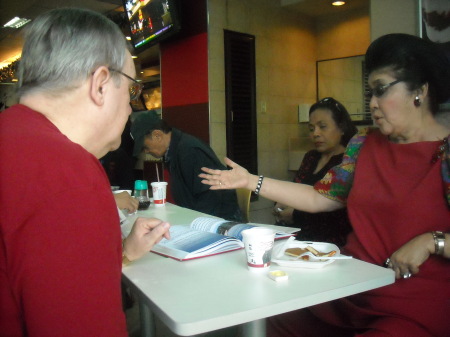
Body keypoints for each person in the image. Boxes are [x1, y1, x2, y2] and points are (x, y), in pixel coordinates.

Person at [200, 33, 450, 336]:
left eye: (381, 90)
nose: (372, 103)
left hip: (412, 303)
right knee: (272, 319)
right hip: (351, 287)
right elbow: (321, 198)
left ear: (420, 90)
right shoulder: (364, 144)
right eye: (369, 93)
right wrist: (251, 180)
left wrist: (433, 242)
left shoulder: (445, 153)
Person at [0, 8, 170, 336]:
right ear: (101, 84)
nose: (130, 107)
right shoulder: (67, 174)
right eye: (132, 90)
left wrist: (121, 253)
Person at [131, 111, 242, 221]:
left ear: (157, 135)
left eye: (145, 146)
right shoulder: (174, 150)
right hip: (199, 216)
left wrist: (196, 226)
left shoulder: (189, 151)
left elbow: (210, 196)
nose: (145, 151)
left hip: (220, 221)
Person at [274, 97, 356, 246]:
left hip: (330, 244)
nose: (315, 133)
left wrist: (296, 214)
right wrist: (281, 203)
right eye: (311, 129)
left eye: (322, 126)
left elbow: (340, 214)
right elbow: (295, 189)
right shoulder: (311, 157)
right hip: (297, 238)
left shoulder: (347, 162)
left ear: (342, 127)